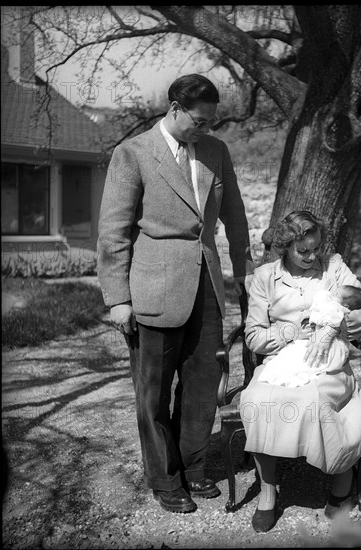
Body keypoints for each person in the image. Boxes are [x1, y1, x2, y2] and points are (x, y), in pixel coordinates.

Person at [97, 74, 254, 514]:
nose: (205, 129)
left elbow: (236, 218)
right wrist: (118, 298)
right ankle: (165, 480)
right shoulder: (132, 153)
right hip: (153, 287)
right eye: (199, 121)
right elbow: (113, 231)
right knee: (154, 391)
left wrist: (245, 275)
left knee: (204, 385)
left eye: (210, 122)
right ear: (174, 108)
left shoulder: (216, 152)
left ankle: (194, 467)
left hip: (207, 283)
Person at [239, 210, 361, 532]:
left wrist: (333, 325)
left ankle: (339, 491)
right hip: (283, 359)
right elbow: (253, 337)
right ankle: (267, 491)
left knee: (317, 398)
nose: (311, 255)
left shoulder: (334, 267)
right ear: (286, 247)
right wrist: (292, 333)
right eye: (303, 250)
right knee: (259, 397)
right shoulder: (265, 278)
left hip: (328, 361)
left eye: (315, 247)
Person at [257, 285, 361, 388]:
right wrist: (293, 331)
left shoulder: (334, 308)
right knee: (294, 355)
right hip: (296, 339)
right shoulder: (266, 276)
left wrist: (329, 329)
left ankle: (294, 372)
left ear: (346, 305)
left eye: (336, 294)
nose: (332, 294)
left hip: (325, 345)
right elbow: (254, 336)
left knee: (309, 359)